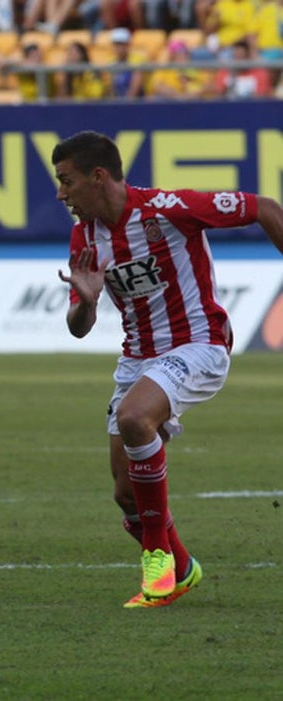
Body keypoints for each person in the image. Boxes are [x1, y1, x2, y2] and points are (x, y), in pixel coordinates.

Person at [54, 131, 283, 608]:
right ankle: (181, 568)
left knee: (135, 417)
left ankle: (156, 555)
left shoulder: (168, 209)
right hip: (137, 358)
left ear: (98, 177)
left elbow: (264, 207)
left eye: (67, 181)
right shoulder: (84, 237)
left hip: (198, 343)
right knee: (126, 495)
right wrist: (87, 302)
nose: (61, 194)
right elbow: (78, 327)